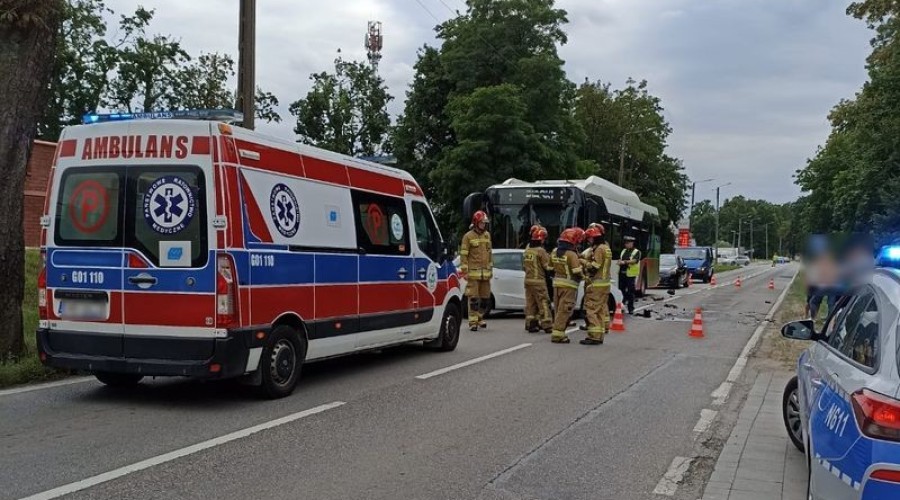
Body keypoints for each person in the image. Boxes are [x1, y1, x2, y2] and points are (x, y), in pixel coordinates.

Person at [550, 227, 585, 344]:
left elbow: (550, 268)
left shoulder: (554, 251)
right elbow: (576, 271)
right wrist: (585, 277)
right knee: (565, 310)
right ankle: (558, 335)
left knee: (558, 308)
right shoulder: (571, 254)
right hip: (569, 286)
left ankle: (557, 330)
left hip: (556, 284)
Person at [459, 211, 493, 331]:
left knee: (485, 299)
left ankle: (479, 317)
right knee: (473, 298)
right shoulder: (468, 236)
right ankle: (473, 322)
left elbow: (490, 254)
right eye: (482, 223)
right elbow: (463, 255)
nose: (484, 225)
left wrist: (491, 269)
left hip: (486, 274)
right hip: (473, 273)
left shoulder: (487, 236)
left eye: (485, 223)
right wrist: (465, 271)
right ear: (476, 223)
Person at [580, 224, 612, 345]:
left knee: (591, 309)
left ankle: (594, 336)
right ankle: (599, 336)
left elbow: (594, 267)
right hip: (604, 284)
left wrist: (583, 261)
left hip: (597, 284)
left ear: (595, 237)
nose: (589, 240)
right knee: (599, 310)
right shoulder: (606, 248)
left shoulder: (599, 249)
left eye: (590, 238)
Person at [523, 225, 553, 333]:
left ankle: (531, 324)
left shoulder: (527, 251)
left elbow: (524, 267)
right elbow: (548, 266)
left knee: (531, 303)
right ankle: (547, 324)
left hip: (528, 281)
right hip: (539, 281)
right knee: (544, 302)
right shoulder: (541, 251)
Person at [617, 235, 641, 315]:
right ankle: (621, 307)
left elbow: (635, 260)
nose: (626, 244)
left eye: (628, 243)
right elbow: (620, 258)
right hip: (622, 274)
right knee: (621, 291)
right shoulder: (623, 251)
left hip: (630, 275)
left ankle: (631, 308)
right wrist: (619, 262)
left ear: (632, 243)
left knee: (631, 292)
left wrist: (625, 262)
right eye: (626, 243)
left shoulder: (636, 252)